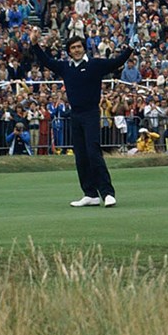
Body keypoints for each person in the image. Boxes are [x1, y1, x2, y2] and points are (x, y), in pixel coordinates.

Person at [30, 27, 134, 208]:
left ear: (83, 48)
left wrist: (130, 49)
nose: (76, 50)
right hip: (75, 115)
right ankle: (90, 194)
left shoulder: (95, 64)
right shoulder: (65, 67)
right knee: (80, 156)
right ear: (69, 52)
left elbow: (116, 62)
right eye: (73, 48)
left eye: (79, 47)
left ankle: (107, 193)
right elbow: (46, 60)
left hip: (91, 113)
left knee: (93, 152)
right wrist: (34, 44)